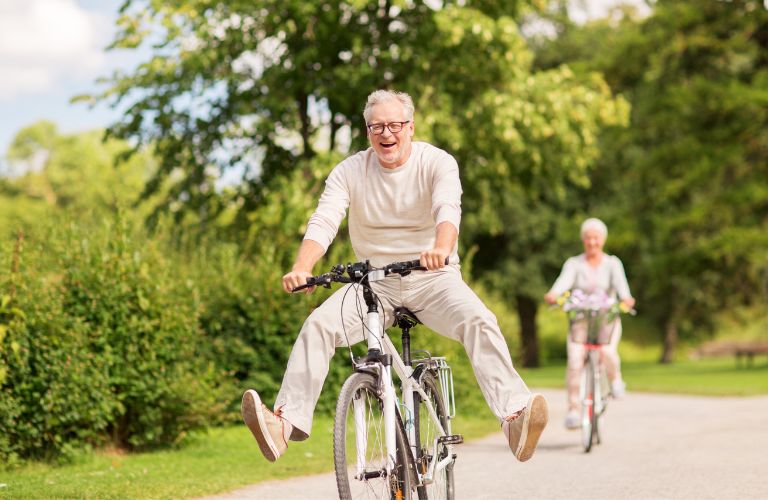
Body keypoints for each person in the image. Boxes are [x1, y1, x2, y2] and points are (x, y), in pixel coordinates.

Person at [240, 89, 548, 464]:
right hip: (373, 283)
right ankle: (283, 426)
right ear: (368, 131)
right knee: (318, 325)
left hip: (433, 277)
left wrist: (441, 247)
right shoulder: (350, 170)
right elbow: (324, 220)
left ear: (410, 127)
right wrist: (302, 267)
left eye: (394, 125)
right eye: (377, 127)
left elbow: (448, 209)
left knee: (479, 319)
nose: (386, 134)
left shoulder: (436, 162)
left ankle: (515, 417)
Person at [543, 217, 636, 430]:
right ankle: (574, 410)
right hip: (581, 320)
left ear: (602, 240)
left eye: (596, 238)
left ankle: (615, 380)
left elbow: (623, 289)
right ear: (583, 240)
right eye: (588, 238)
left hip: (606, 320)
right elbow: (562, 283)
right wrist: (554, 294)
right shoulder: (574, 264)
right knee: (575, 360)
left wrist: (626, 299)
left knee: (607, 351)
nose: (592, 242)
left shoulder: (613, 263)